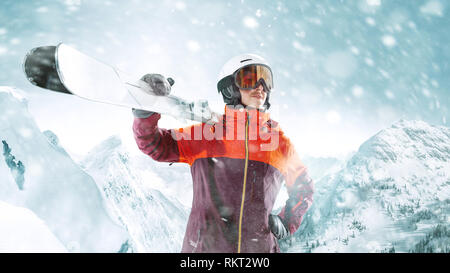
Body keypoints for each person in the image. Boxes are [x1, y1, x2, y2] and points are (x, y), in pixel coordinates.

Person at [132, 54, 314, 253]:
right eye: (249, 79)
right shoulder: (207, 134)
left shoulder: (278, 143)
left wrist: (287, 222)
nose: (260, 86)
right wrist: (145, 113)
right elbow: (155, 145)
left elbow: (303, 186)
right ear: (230, 88)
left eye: (266, 79)